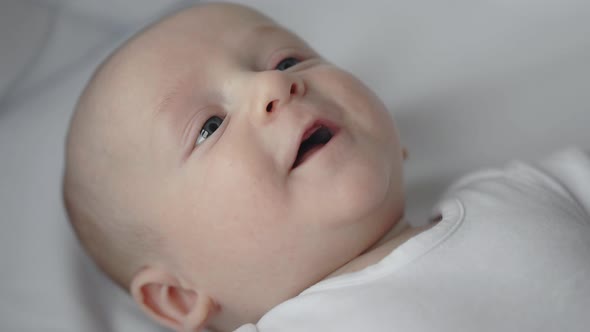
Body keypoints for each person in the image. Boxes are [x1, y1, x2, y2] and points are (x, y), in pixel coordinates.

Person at [62, 2, 590, 332]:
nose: (273, 86)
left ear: (396, 141)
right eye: (209, 127)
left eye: (286, 61)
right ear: (180, 296)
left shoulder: (525, 191)